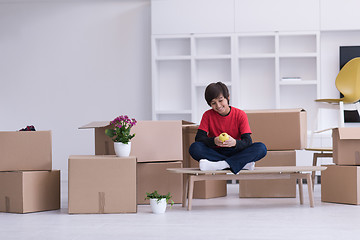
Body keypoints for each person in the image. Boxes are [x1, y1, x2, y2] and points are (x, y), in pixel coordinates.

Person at [189, 82, 267, 174]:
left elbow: (247, 141)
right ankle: (239, 163)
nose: (218, 106)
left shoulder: (240, 114)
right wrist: (214, 141)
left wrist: (234, 143)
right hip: (216, 151)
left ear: (228, 97)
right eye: (213, 103)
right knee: (194, 148)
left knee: (261, 148)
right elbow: (199, 138)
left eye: (220, 100)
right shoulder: (207, 115)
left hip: (236, 151)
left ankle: (220, 164)